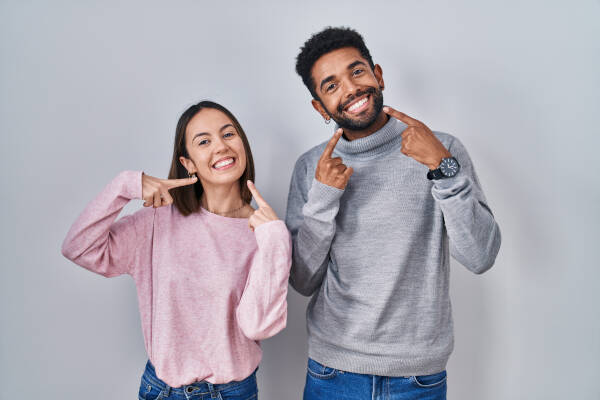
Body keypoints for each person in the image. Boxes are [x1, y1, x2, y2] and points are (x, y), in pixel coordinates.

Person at [286, 27, 501, 400]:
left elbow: (480, 256)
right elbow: (303, 281)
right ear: (320, 107)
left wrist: (442, 169)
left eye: (356, 72)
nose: (350, 89)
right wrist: (323, 197)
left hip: (418, 377)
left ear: (378, 75)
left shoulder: (441, 148)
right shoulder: (312, 168)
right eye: (331, 85)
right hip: (333, 373)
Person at [62, 100, 291, 399]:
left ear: (243, 146)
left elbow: (257, 325)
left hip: (233, 393)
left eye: (228, 134)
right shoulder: (158, 221)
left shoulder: (265, 233)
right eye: (204, 141)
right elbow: (79, 248)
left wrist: (275, 238)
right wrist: (126, 185)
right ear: (188, 163)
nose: (221, 146)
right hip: (161, 391)